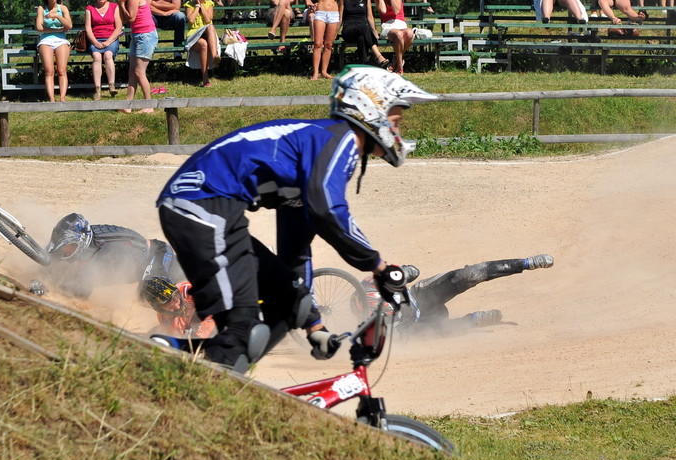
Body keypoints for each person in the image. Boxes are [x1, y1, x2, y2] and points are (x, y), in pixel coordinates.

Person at [155, 65, 438, 372]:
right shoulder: (338, 140)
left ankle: (180, 353)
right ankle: (204, 374)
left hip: (212, 209)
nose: (398, 129)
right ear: (371, 109)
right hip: (201, 204)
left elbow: (295, 248)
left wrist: (313, 325)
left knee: (294, 302)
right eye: (396, 118)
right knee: (245, 328)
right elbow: (328, 210)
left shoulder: (320, 152)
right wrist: (380, 267)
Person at [359, 254, 555, 334]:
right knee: (431, 334)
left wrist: (404, 272)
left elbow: (414, 270)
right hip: (419, 323)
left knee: (468, 275)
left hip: (420, 296)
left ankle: (526, 263)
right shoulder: (372, 327)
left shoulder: (373, 283)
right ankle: (475, 320)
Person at [32, 213, 185, 300]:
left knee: (150, 298)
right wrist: (43, 272)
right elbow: (53, 253)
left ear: (80, 242)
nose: (65, 250)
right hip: (151, 254)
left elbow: (82, 289)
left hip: (159, 257)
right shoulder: (87, 236)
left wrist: (48, 287)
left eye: (68, 246)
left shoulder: (105, 254)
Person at [141, 276, 217, 337]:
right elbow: (179, 336)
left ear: (176, 290)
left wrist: (201, 334)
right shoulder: (165, 319)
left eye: (175, 299)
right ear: (160, 309)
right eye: (170, 307)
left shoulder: (191, 290)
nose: (177, 307)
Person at [118, 0, 158, 114]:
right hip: (136, 35)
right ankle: (128, 105)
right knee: (132, 71)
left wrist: (121, 5)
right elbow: (124, 19)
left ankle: (149, 105)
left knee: (139, 72)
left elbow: (131, 18)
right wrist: (121, 6)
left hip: (145, 35)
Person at [36, 0, 73, 102]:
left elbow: (69, 25)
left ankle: (62, 97)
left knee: (61, 70)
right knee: (49, 71)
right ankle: (51, 99)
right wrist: (58, 30)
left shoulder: (63, 8)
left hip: (61, 40)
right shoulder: (42, 8)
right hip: (46, 40)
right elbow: (39, 27)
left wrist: (57, 16)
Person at [85, 0, 124, 100]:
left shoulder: (114, 7)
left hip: (111, 38)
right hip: (95, 38)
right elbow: (88, 28)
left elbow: (119, 27)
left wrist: (108, 41)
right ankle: (98, 89)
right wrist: (95, 42)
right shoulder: (90, 9)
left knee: (108, 55)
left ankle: (112, 85)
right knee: (96, 57)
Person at [340, 0, 389, 67]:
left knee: (361, 38)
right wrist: (333, 35)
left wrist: (375, 33)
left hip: (363, 32)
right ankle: (378, 56)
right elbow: (340, 18)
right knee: (364, 27)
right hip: (349, 31)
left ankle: (364, 64)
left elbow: (370, 17)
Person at [184, 0, 222, 87]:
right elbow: (191, 20)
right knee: (203, 44)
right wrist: (197, 6)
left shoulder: (209, 3)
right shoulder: (189, 4)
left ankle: (214, 57)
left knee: (210, 26)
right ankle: (205, 77)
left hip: (208, 33)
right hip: (194, 35)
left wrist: (203, 7)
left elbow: (208, 19)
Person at [376, 0, 414, 74]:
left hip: (400, 23)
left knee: (410, 33)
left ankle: (396, 60)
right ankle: (400, 67)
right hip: (387, 25)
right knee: (399, 35)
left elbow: (396, 10)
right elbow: (383, 10)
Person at [310, 0, 342, 80]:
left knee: (329, 45)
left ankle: (324, 72)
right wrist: (309, 2)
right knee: (317, 43)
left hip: (334, 13)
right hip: (320, 12)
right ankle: (316, 73)